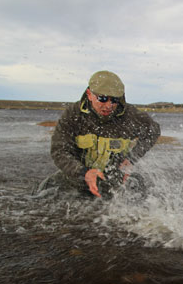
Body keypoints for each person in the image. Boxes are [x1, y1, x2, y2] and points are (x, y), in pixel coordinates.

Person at [36, 70, 160, 198]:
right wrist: (84, 173)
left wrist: (131, 159)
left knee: (140, 194)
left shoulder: (131, 115)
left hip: (114, 180)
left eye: (115, 100)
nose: (109, 106)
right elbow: (59, 151)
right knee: (44, 194)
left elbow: (153, 130)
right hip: (78, 178)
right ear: (89, 94)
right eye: (103, 99)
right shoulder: (73, 114)